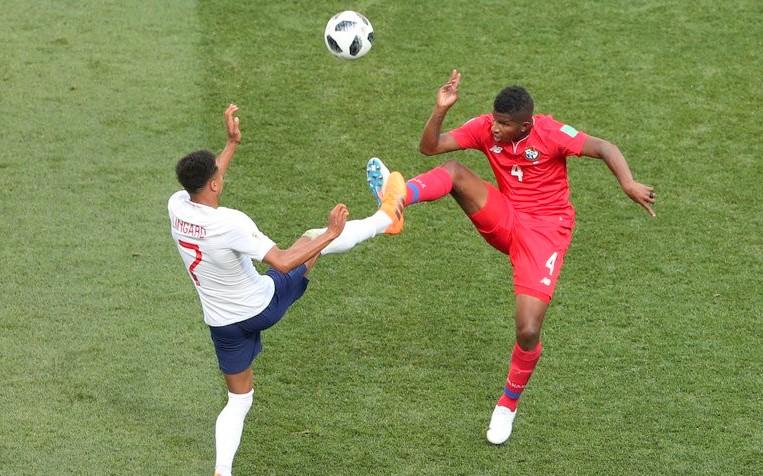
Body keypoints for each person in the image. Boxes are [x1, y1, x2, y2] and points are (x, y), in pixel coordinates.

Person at [367, 70, 656, 445]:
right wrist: (440, 110)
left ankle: (507, 404)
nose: (496, 130)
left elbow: (603, 147)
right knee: (454, 171)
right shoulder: (485, 128)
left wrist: (628, 182)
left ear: (526, 125)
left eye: (505, 125)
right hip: (505, 216)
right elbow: (430, 147)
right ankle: (397, 203)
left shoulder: (550, 133)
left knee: (528, 329)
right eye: (495, 121)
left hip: (545, 233)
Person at [168, 104, 406, 476]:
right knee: (311, 240)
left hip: (223, 324)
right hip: (264, 303)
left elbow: (205, 182)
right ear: (214, 183)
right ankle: (386, 217)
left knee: (238, 399)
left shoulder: (177, 206)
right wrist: (330, 232)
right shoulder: (231, 223)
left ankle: (221, 471)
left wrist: (230, 144)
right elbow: (280, 262)